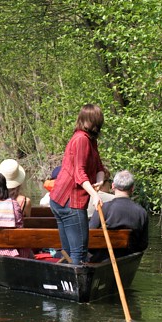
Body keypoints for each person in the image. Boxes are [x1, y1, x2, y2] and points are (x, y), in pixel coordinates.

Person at [49, 104, 106, 265]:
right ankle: (76, 287)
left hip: (61, 199)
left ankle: (66, 282)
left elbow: (100, 167)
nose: (95, 125)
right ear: (83, 121)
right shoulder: (81, 139)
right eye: (91, 121)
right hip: (69, 201)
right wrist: (94, 195)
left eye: (96, 121)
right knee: (78, 253)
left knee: (68, 252)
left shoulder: (91, 140)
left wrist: (99, 181)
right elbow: (79, 173)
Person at [88, 170, 149, 260]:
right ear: (132, 188)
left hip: (102, 258)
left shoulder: (103, 208)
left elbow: (90, 235)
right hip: (128, 257)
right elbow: (143, 244)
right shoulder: (142, 212)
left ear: (113, 186)